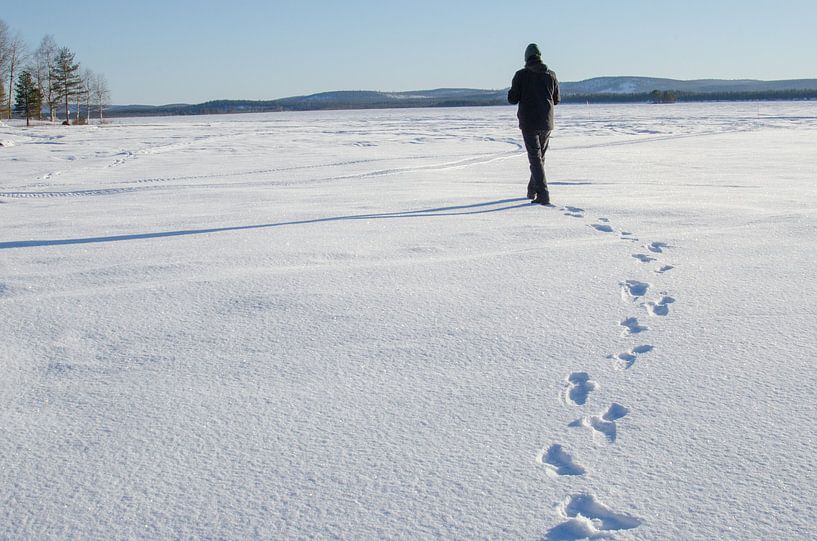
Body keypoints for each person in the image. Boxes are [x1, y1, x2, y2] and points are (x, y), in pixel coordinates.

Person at [508, 43, 560, 205]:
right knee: (539, 158)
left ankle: (543, 194)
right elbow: (556, 99)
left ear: (526, 58)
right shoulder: (551, 75)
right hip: (546, 122)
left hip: (529, 122)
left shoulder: (521, 75)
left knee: (535, 158)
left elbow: (512, 99)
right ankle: (532, 190)